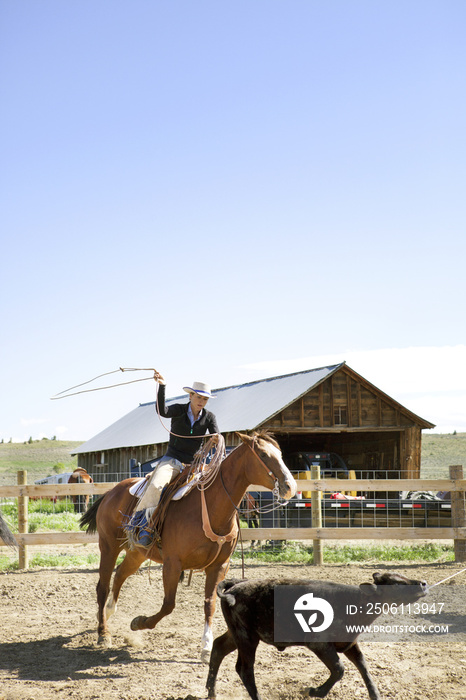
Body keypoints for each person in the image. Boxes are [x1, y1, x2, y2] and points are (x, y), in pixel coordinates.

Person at [131, 372, 219, 546]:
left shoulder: (209, 417)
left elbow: (216, 435)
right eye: (199, 397)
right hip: (172, 460)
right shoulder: (178, 410)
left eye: (205, 399)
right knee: (156, 485)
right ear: (191, 396)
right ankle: (142, 524)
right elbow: (161, 411)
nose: (201, 402)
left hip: (195, 464)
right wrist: (162, 386)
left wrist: (216, 439)